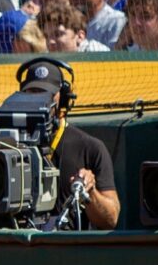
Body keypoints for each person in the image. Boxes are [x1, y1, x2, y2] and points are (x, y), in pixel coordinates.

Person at [18, 59, 120, 229]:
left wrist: (90, 193)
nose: (38, 100)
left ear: (63, 98)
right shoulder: (8, 146)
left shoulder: (90, 148)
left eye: (45, 93)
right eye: (31, 93)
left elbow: (111, 219)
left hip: (66, 250)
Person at [37, 1, 110, 52]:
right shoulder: (46, 59)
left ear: (80, 36)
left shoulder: (96, 52)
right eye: (47, 36)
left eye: (58, 34)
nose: (50, 42)